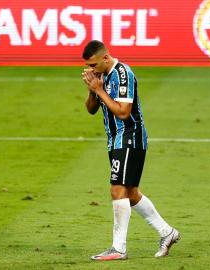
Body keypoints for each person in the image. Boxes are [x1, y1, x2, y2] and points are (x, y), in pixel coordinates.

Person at [81, 40, 180, 261]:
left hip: (129, 137)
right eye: (88, 66)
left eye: (94, 64)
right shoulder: (101, 75)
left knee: (117, 189)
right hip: (115, 140)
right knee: (131, 193)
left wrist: (100, 90)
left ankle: (118, 248)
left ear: (105, 58)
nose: (91, 69)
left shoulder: (123, 73)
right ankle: (167, 232)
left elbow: (123, 112)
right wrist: (92, 90)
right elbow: (91, 110)